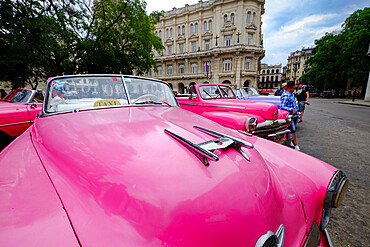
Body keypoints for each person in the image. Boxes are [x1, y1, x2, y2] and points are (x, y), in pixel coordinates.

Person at [280, 81, 300, 151]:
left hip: (295, 115)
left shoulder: (291, 94)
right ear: (293, 87)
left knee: (291, 130)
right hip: (290, 115)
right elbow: (282, 106)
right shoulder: (286, 95)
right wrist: (291, 109)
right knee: (293, 130)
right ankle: (295, 145)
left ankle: (290, 142)